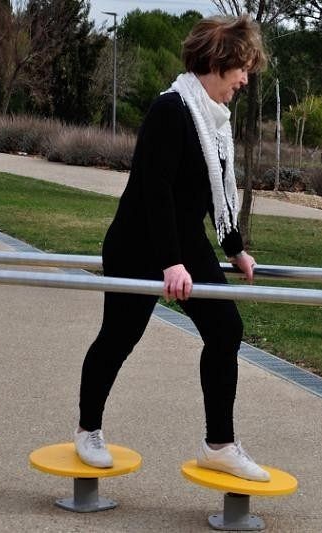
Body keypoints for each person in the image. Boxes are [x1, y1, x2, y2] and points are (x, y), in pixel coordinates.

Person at [74, 16, 270, 482]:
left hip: (184, 244)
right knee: (120, 338)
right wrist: (170, 262)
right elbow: (154, 191)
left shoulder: (214, 122)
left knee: (225, 329)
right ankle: (88, 431)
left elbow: (216, 194)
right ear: (218, 61)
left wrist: (235, 249)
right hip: (138, 244)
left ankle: (219, 443)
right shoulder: (171, 109)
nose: (245, 79)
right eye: (241, 68)